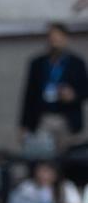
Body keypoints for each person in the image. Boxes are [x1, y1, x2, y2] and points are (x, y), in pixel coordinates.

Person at [19, 23, 88, 154]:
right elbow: (29, 95)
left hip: (67, 118)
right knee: (43, 157)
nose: (55, 42)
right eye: (52, 38)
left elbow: (85, 89)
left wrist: (73, 95)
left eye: (58, 38)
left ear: (65, 38)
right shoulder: (37, 63)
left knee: (68, 157)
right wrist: (24, 125)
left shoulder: (77, 63)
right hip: (43, 117)